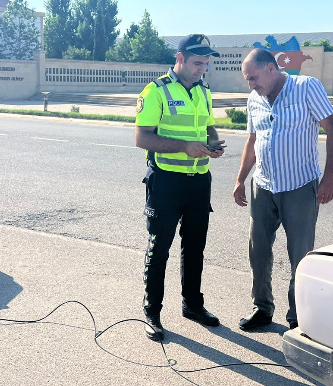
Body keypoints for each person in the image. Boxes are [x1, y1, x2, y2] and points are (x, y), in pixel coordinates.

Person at [233, 48, 333, 331]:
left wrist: (329, 176)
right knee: (258, 251)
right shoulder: (254, 99)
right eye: (247, 80)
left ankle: (298, 318)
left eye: (254, 78)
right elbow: (252, 141)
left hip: (299, 186)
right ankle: (262, 307)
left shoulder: (306, 87)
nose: (251, 85)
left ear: (271, 68)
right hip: (264, 185)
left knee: (301, 255)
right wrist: (240, 179)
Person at [135, 34, 225, 341]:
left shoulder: (204, 90)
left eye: (206, 64)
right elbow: (142, 138)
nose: (202, 69)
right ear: (180, 58)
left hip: (199, 181)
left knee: (195, 246)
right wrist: (183, 146)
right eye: (197, 63)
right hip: (166, 181)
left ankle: (193, 305)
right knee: (159, 247)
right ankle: (151, 310)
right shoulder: (156, 91)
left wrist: (213, 142)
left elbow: (208, 124)